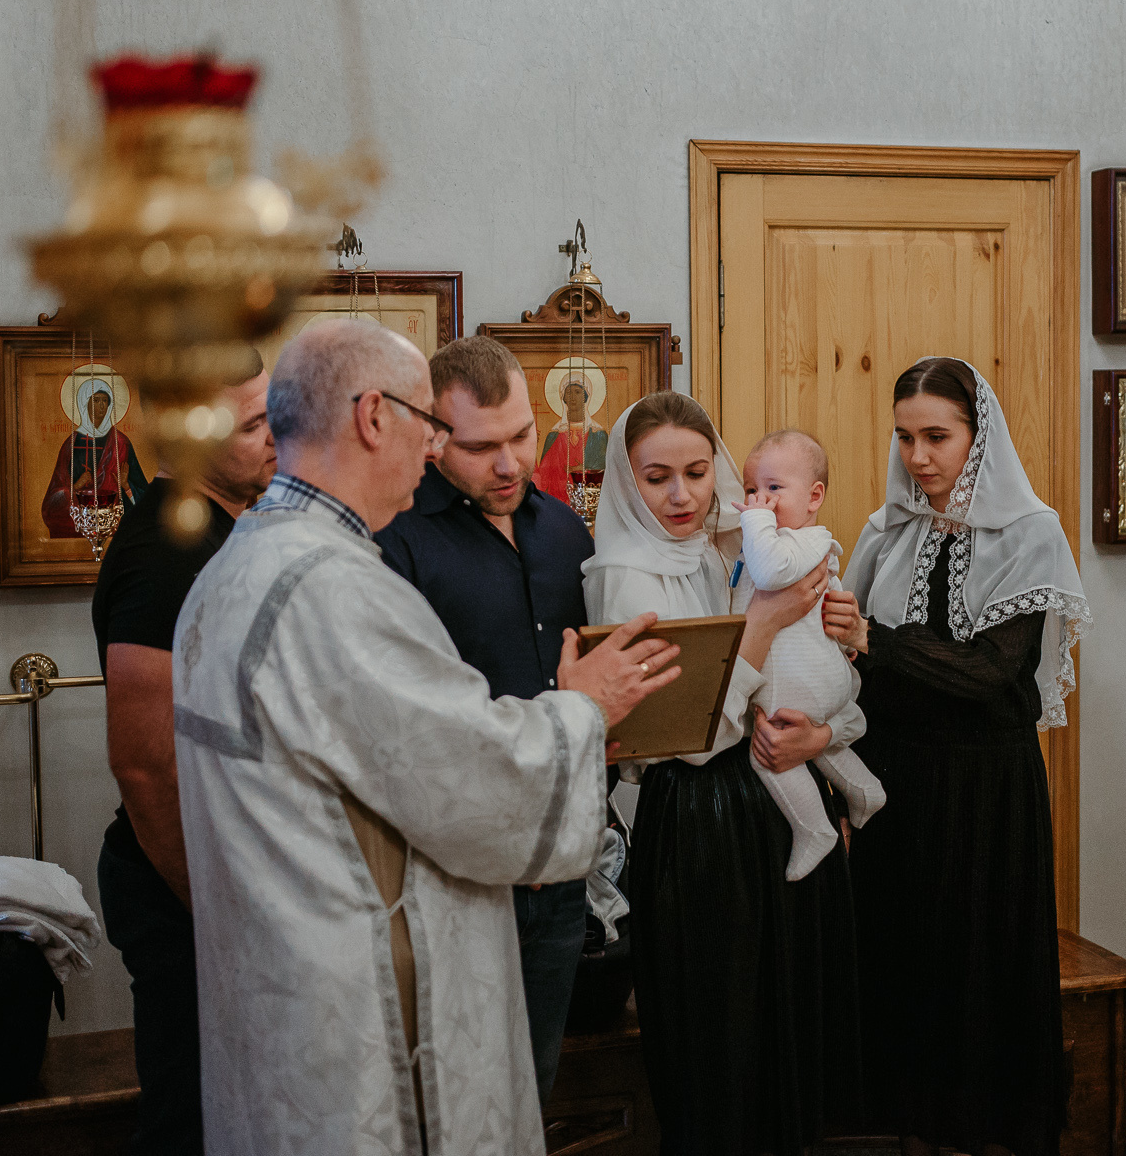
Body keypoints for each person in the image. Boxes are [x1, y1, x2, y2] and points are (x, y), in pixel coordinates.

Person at [172, 320, 678, 1155]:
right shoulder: (332, 588)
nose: (434, 447)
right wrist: (583, 707)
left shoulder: (244, 558)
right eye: (429, 424)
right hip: (357, 1012)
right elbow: (476, 778)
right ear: (375, 415)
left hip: (285, 992)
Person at [822, 356, 1091, 1156]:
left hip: (984, 784)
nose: (918, 456)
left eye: (937, 436)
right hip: (895, 780)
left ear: (979, 438)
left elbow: (987, 674)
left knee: (975, 968)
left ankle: (977, 1138)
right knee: (900, 965)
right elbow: (853, 671)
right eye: (905, 436)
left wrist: (875, 640)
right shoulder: (884, 530)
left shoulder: (1030, 534)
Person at [583, 390, 861, 1156]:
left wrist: (826, 710)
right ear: (625, 482)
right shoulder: (623, 576)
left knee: (769, 1025)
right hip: (690, 814)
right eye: (657, 477)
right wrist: (765, 626)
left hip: (751, 804)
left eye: (698, 472)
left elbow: (797, 676)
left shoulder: (717, 553)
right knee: (717, 1035)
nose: (682, 495)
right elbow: (683, 739)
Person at [373, 336, 598, 1105]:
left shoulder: (567, 531)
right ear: (433, 439)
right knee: (454, 1101)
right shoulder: (393, 541)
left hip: (561, 869)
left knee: (533, 1093)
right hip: (457, 876)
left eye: (521, 436)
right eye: (480, 446)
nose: (509, 464)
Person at [91, 351, 274, 1155]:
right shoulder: (165, 553)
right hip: (185, 888)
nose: (279, 437)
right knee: (195, 1118)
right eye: (255, 424)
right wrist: (214, 910)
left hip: (234, 873)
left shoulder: (224, 529)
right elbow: (143, 762)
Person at [736, 428, 883, 881]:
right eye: (751, 490)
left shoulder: (804, 540)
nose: (761, 500)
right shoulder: (789, 541)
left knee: (770, 745)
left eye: (774, 489)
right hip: (809, 675)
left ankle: (814, 827)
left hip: (797, 684)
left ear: (814, 496)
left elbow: (768, 570)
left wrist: (755, 520)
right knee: (811, 746)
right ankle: (863, 790)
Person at [42, 372, 149, 539]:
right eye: (96, 400)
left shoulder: (121, 443)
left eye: (105, 401)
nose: (101, 406)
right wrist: (75, 487)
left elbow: (145, 500)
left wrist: (126, 486)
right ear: (85, 403)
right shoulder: (71, 444)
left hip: (115, 527)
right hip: (79, 525)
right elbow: (52, 502)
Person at [532, 370, 607, 504]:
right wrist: (531, 448)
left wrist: (583, 469)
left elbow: (606, 471)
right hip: (558, 503)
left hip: (589, 503)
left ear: (585, 396)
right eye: (568, 392)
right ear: (563, 398)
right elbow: (542, 478)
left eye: (577, 392)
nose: (572, 397)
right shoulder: (554, 435)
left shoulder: (598, 434)